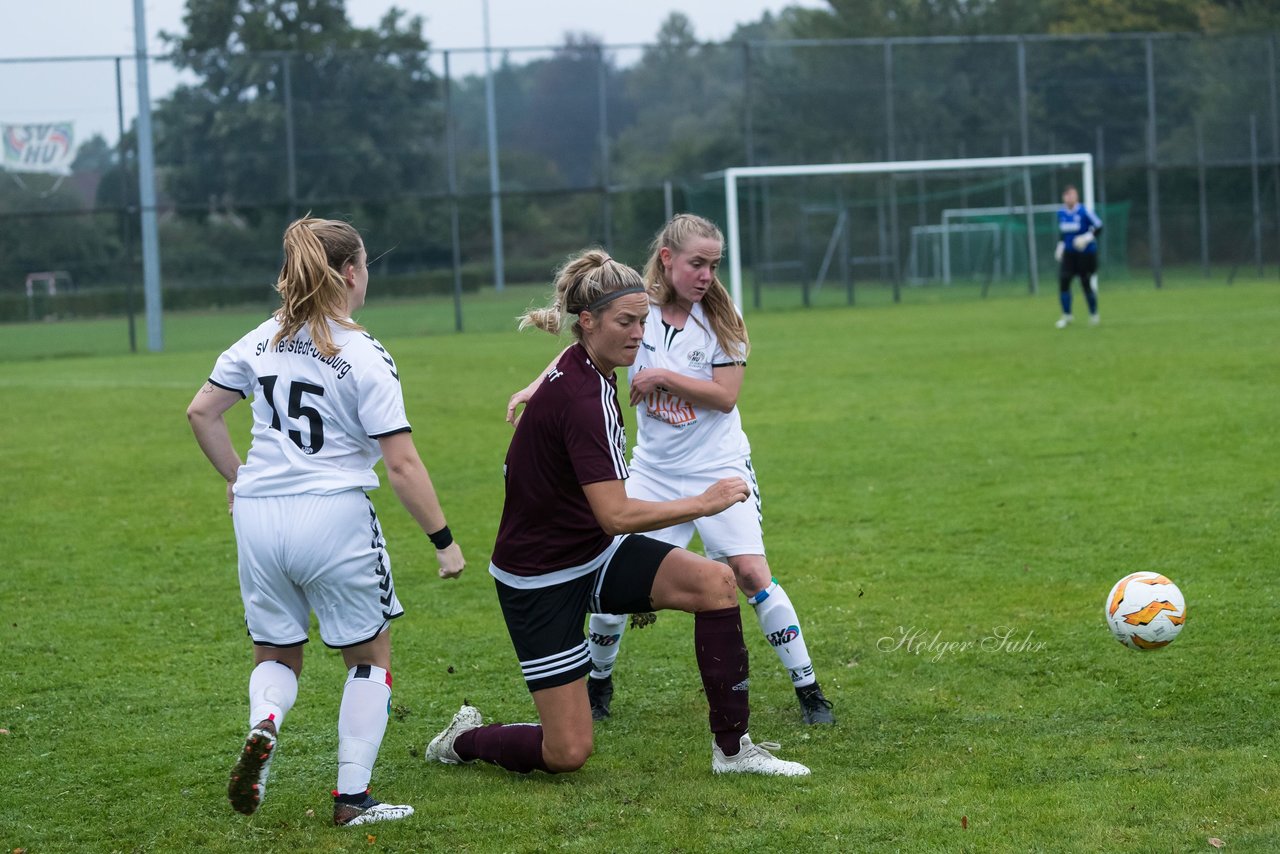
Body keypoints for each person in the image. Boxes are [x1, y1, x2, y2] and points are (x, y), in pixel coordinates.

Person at [425, 249, 809, 778]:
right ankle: (462, 740)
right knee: (567, 753)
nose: (638, 334)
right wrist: (705, 501)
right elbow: (616, 517)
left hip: (593, 553)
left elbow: (603, 519)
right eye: (626, 322)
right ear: (589, 322)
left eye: (643, 321)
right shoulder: (585, 398)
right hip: (540, 579)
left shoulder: (584, 364)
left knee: (717, 584)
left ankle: (733, 751)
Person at [187, 216, 466, 827]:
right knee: (370, 658)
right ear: (348, 272)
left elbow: (202, 412)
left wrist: (238, 480)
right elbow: (402, 464)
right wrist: (444, 542)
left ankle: (266, 722)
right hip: (333, 514)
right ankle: (352, 801)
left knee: (276, 652)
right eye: (365, 266)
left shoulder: (259, 339)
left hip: (259, 516)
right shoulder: (365, 353)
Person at [506, 214, 835, 726]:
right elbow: (580, 353)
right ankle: (598, 684)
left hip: (718, 467)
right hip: (654, 471)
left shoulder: (724, 321)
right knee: (610, 577)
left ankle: (810, 691)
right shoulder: (637, 310)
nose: (706, 275)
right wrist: (536, 385)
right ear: (667, 259)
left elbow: (725, 398)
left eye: (713, 265)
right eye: (696, 264)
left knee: (749, 573)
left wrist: (663, 376)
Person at [1053, 184, 1103, 328]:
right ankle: (1067, 315)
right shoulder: (1061, 213)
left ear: (1077, 196)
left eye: (1073, 195)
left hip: (1085, 254)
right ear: (1064, 197)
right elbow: (1063, 233)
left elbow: (1099, 226)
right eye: (1068, 195)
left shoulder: (1084, 211)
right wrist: (1060, 246)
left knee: (1085, 283)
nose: (1071, 197)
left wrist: (1086, 238)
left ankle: (1094, 314)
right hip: (1069, 254)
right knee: (1064, 281)